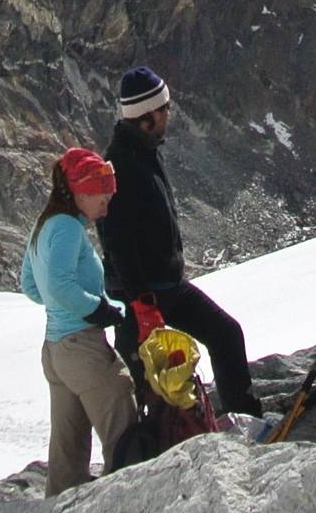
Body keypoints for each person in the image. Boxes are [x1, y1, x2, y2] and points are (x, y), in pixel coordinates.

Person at [100, 65, 263, 417]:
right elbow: (118, 243)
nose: (169, 114)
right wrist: (143, 305)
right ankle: (153, 452)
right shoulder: (120, 166)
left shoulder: (143, 149)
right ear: (149, 115)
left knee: (226, 334)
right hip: (144, 297)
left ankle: (244, 418)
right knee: (149, 388)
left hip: (167, 286)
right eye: (165, 108)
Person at [19, 146, 141, 495]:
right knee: (121, 421)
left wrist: (63, 309)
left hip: (55, 351)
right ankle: (130, 498)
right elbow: (58, 285)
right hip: (82, 348)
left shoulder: (43, 224)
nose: (108, 201)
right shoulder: (69, 229)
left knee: (67, 450)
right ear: (82, 192)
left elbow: (31, 285)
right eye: (104, 193)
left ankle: (60, 502)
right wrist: (97, 309)